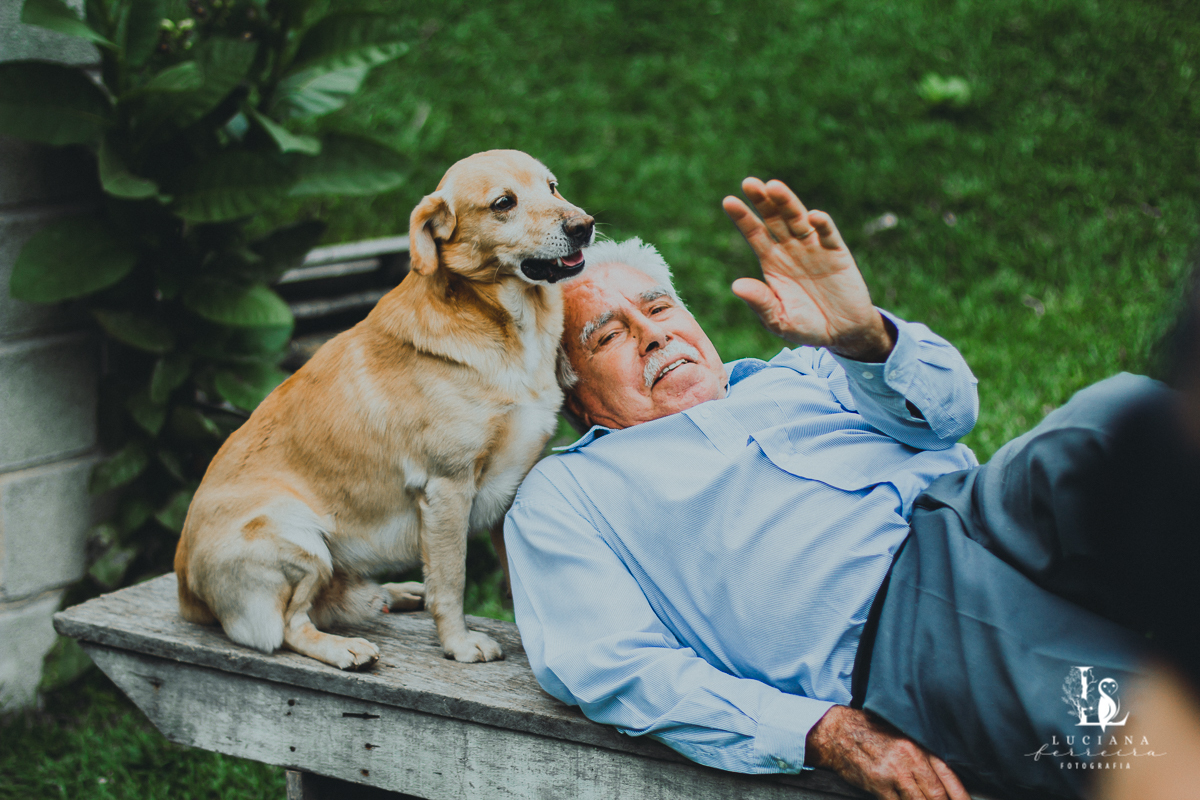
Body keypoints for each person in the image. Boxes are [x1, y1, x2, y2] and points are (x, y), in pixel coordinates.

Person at [502, 177, 1158, 800]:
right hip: (909, 631)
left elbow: (950, 415)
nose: (652, 334)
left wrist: (864, 337)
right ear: (574, 396)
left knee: (1118, 420)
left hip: (986, 505)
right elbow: (615, 667)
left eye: (659, 307)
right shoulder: (567, 495)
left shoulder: (808, 368)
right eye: (608, 335)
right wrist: (822, 732)